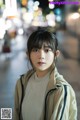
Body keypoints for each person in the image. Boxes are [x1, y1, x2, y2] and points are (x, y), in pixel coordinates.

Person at [14, 28, 77, 120]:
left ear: (56, 54)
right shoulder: (21, 82)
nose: (41, 56)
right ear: (28, 54)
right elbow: (14, 111)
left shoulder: (61, 89)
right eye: (35, 50)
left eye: (47, 50)